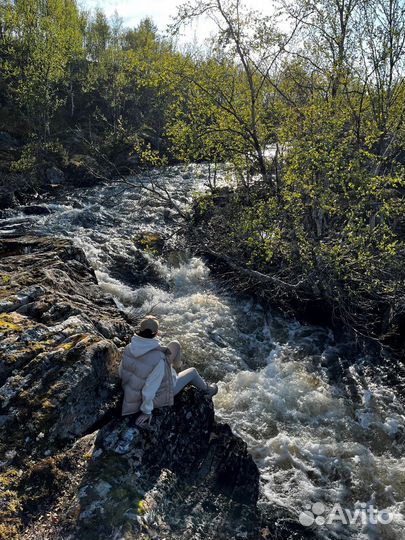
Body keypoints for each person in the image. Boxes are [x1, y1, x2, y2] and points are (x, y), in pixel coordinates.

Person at [119, 316, 218, 427]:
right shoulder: (158, 359)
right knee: (193, 372)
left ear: (140, 330)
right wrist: (146, 412)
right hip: (156, 395)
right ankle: (208, 390)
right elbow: (149, 389)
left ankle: (177, 369)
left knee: (175, 344)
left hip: (132, 389)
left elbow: (121, 371)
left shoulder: (129, 347)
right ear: (156, 333)